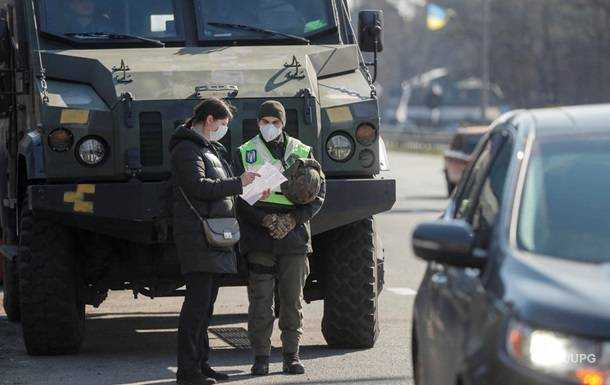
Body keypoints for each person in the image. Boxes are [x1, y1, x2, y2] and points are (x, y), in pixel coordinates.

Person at [170, 98, 260, 385]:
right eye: (222, 124)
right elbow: (198, 187)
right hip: (197, 237)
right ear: (209, 120)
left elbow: (220, 187)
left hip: (212, 237)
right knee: (196, 307)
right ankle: (188, 371)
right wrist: (239, 183)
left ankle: (202, 364)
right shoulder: (187, 149)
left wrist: (250, 187)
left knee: (205, 307)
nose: (222, 130)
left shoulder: (208, 150)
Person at [234, 100, 326, 376]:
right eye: (265, 121)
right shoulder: (245, 152)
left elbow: (319, 194)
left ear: (283, 124)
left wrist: (293, 219)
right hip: (260, 234)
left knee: (292, 300)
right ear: (258, 123)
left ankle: (291, 356)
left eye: (275, 122)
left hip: (294, 235)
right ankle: (261, 357)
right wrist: (265, 220)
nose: (270, 127)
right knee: (261, 301)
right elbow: (237, 198)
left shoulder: (302, 150)